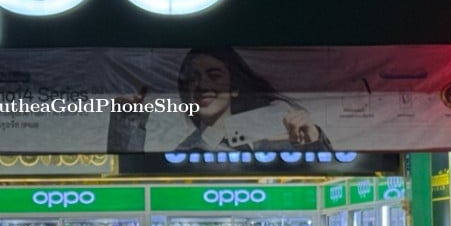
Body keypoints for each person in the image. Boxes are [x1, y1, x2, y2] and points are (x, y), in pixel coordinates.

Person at [109, 47, 331, 153]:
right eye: (192, 79)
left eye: (214, 76)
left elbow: (327, 177)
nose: (203, 85)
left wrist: (313, 140)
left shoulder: (277, 135)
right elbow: (130, 182)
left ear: (234, 87)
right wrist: (127, 122)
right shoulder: (185, 152)